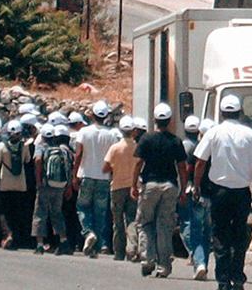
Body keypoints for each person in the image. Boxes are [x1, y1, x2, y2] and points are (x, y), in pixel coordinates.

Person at [194, 94, 252, 290]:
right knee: (239, 234)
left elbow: (200, 161)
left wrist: (197, 185)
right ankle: (237, 276)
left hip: (220, 192)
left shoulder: (214, 133)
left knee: (220, 235)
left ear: (222, 112)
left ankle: (223, 282)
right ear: (239, 112)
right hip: (242, 193)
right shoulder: (249, 134)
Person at [132, 103, 187, 279]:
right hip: (170, 186)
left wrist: (134, 184)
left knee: (145, 223)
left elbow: (138, 163)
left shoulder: (146, 139)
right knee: (164, 226)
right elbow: (182, 167)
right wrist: (183, 189)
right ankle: (163, 265)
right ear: (169, 121)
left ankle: (147, 260)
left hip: (150, 185)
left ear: (154, 120)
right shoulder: (176, 141)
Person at [75, 100, 118, 258]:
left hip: (86, 175)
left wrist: (74, 176)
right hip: (103, 178)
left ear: (92, 115)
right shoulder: (111, 135)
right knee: (100, 213)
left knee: (82, 208)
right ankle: (96, 246)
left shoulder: (84, 132)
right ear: (106, 116)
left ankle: (88, 232)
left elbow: (78, 154)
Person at [102, 115, 142, 262]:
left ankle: (119, 252)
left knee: (117, 221)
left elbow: (105, 167)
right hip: (133, 187)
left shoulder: (115, 148)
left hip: (117, 187)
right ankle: (132, 249)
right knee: (131, 219)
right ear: (134, 131)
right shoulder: (137, 148)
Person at [0, 119, 34, 249]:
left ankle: (7, 233)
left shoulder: (1, 146)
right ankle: (18, 237)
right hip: (20, 184)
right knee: (17, 211)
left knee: (5, 210)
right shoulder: (25, 146)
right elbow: (27, 160)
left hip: (5, 183)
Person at [33, 124, 74, 255]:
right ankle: (63, 240)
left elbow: (38, 160)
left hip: (45, 185)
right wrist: (68, 185)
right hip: (59, 186)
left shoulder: (42, 148)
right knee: (57, 213)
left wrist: (38, 178)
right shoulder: (61, 149)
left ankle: (39, 244)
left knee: (40, 213)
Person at [179, 115, 211, 280]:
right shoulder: (220, 149)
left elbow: (189, 169)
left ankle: (199, 263)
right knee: (208, 233)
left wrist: (189, 188)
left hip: (198, 195)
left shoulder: (197, 150)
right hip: (214, 197)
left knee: (196, 232)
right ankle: (204, 263)